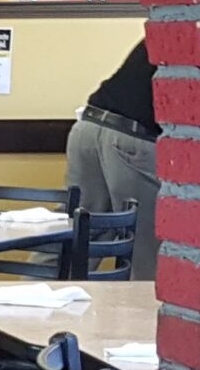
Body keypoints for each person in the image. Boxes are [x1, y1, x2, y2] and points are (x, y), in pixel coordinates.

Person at [67, 40, 159, 276]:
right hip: (133, 137)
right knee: (145, 250)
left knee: (77, 234)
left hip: (88, 125)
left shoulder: (170, 26)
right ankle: (144, 303)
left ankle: (31, 297)